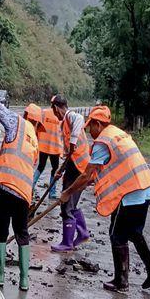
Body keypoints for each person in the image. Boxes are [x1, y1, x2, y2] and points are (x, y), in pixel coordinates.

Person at [60, 106, 150, 292]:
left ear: (99, 124)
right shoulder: (118, 134)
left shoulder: (103, 142)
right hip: (144, 189)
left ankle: (121, 281)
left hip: (129, 193)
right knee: (135, 233)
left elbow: (87, 175)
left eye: (91, 127)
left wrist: (68, 192)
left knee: (117, 235)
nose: (90, 132)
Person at [0, 96, 39, 291]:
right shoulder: (35, 142)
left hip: (6, 187)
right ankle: (24, 280)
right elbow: (22, 164)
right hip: (23, 193)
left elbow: (2, 112)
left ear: (25, 115)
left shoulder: (19, 123)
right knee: (22, 233)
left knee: (1, 230)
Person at [50, 94, 91, 252]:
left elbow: (80, 119)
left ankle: (67, 242)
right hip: (75, 166)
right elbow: (69, 153)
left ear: (56, 108)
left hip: (79, 167)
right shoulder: (63, 124)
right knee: (71, 204)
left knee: (66, 204)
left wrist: (73, 140)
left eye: (53, 109)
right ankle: (82, 233)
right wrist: (60, 170)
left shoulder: (70, 116)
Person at [29, 105, 62, 199]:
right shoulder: (60, 115)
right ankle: (52, 193)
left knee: (41, 166)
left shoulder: (43, 112)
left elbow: (37, 126)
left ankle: (31, 186)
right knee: (55, 169)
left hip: (43, 145)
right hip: (55, 147)